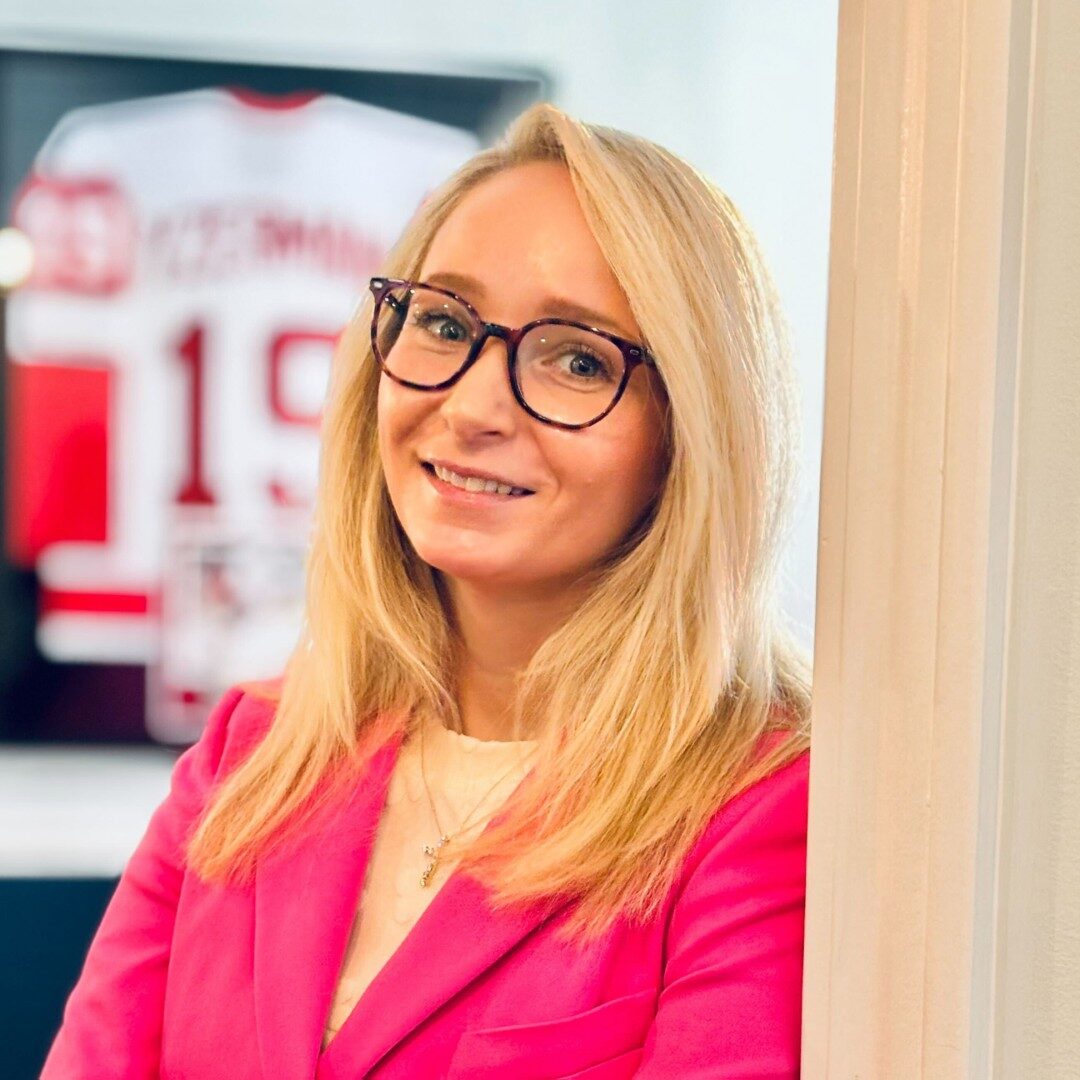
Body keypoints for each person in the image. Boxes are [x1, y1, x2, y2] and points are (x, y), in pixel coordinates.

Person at [42, 102, 812, 1079]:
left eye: (579, 357)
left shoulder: (760, 809)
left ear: (685, 436)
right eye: (444, 322)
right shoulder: (250, 757)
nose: (474, 404)